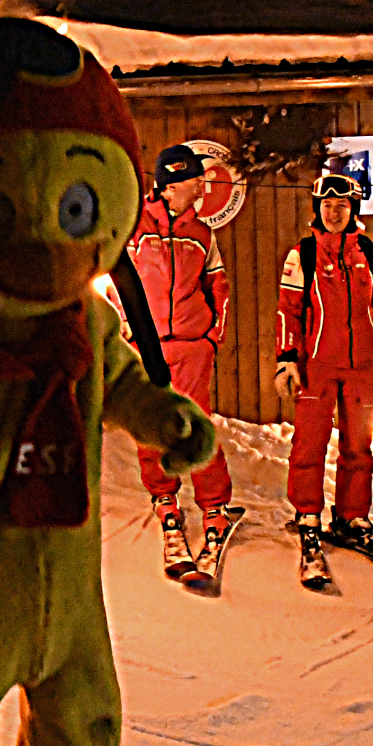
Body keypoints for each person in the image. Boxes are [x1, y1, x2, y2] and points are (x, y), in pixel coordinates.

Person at [274, 173, 373, 585]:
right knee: (309, 441)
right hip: (317, 363)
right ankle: (308, 513)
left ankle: (352, 516)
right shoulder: (302, 254)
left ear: (353, 209)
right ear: (317, 209)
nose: (334, 212)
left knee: (358, 445)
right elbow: (288, 309)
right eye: (327, 205)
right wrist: (286, 359)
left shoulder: (365, 249)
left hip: (364, 364)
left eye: (342, 206)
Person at [126, 143, 232, 578]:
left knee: (196, 425)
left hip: (191, 346)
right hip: (147, 345)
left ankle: (215, 506)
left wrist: (211, 339)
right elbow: (113, 283)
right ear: (171, 185)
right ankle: (165, 499)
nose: (201, 187)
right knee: (151, 426)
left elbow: (220, 290)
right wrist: (126, 330)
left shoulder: (203, 235)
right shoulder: (134, 228)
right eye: (194, 180)